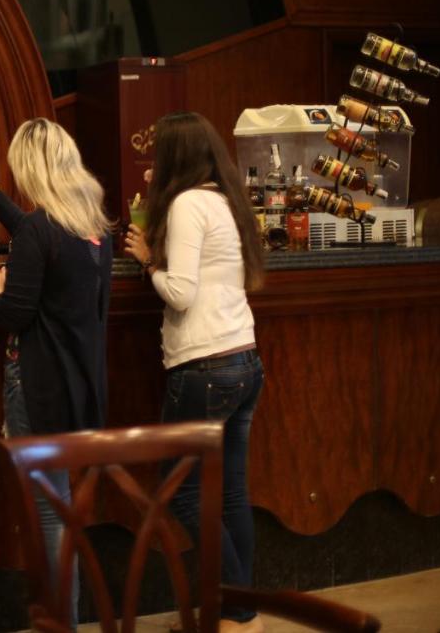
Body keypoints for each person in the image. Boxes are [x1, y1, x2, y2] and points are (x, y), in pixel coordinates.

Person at [0, 117, 113, 629]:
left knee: (49, 512)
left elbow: (14, 315)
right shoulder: (92, 229)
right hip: (79, 381)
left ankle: (62, 623)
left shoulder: (40, 231)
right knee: (60, 504)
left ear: (31, 168)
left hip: (38, 382)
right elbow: (39, 238)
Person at [122, 111, 266, 633]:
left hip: (204, 365)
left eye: (158, 154)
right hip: (244, 359)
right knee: (230, 494)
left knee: (181, 491)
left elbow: (180, 294)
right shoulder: (226, 200)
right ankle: (234, 613)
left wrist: (148, 261)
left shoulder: (187, 204)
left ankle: (239, 614)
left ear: (173, 157)